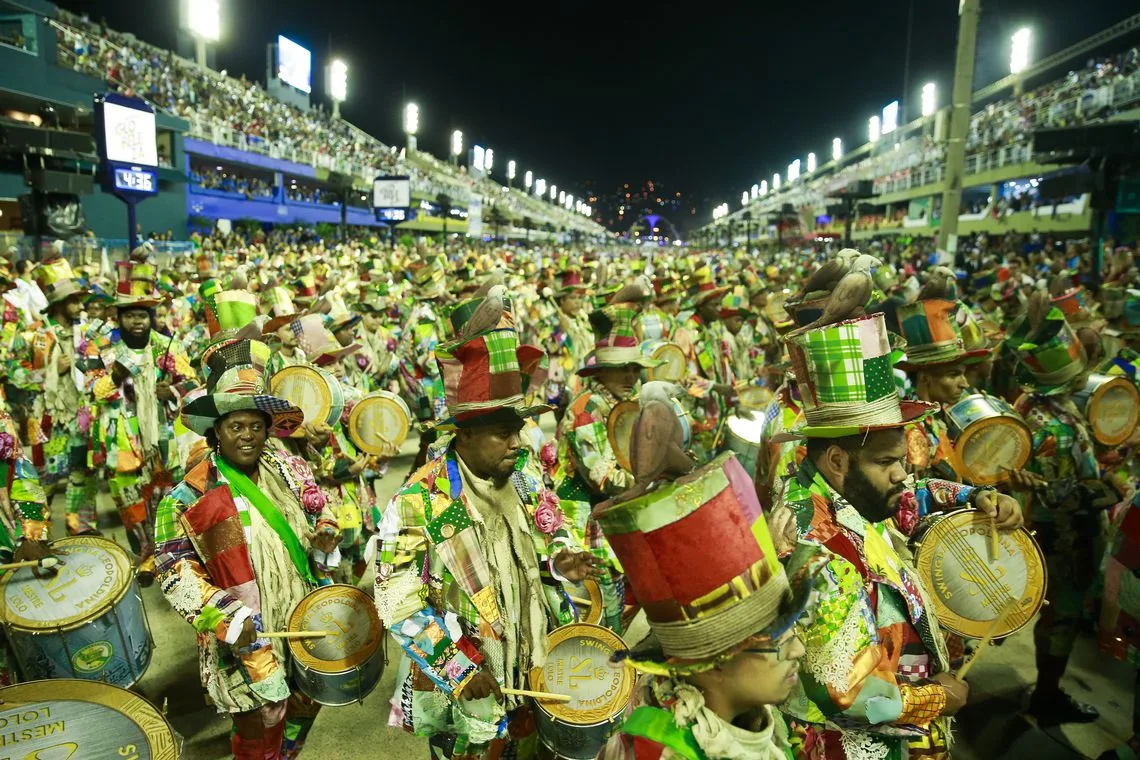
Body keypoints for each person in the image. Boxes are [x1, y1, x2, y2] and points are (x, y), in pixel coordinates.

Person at [770, 311, 1022, 759]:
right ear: (837, 460)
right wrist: (937, 698)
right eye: (889, 462)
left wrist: (976, 495)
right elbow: (849, 694)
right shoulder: (821, 551)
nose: (903, 474)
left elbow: (913, 496)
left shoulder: (836, 490)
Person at [372, 292, 602, 759]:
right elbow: (396, 599)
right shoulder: (425, 501)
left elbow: (550, 526)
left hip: (533, 667)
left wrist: (561, 557)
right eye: (504, 433)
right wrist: (456, 668)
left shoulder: (523, 477)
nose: (518, 443)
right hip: (469, 685)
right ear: (466, 433)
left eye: (518, 430)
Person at [154, 338, 340, 760]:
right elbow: (170, 566)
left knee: (305, 702)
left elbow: (320, 507)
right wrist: (225, 614)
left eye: (255, 425)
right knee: (259, 723)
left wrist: (326, 531)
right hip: (245, 635)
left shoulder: (290, 468)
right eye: (235, 426)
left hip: (301, 615)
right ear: (216, 430)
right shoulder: (188, 495)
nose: (248, 436)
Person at [594, 425, 822, 759]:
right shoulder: (655, 751)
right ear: (714, 663)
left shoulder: (759, 723)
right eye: (779, 642)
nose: (798, 650)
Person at [1007, 306, 1114, 724]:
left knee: (1056, 615)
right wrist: (1109, 489)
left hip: (1052, 530)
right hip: (1067, 535)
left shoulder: (1038, 404)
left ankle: (1047, 689)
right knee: (1062, 618)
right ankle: (1048, 695)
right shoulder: (1056, 427)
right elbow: (1058, 495)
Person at [85, 255, 197, 582]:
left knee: (164, 499)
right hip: (121, 439)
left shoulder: (164, 344)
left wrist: (171, 391)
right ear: (119, 317)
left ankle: (167, 554)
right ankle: (145, 555)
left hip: (161, 437)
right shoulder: (103, 347)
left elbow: (191, 381)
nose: (137, 321)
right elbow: (96, 389)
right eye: (130, 315)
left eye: (142, 315)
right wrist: (119, 370)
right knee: (131, 503)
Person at [554, 296, 660, 631]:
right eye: (622, 368)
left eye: (634, 368)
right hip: (588, 524)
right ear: (602, 370)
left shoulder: (627, 404)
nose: (631, 376)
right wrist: (654, 479)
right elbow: (601, 476)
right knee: (601, 615)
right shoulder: (588, 408)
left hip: (615, 516)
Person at [16, 260, 98, 534]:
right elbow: (17, 374)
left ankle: (82, 532)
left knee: (82, 476)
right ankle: (38, 538)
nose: (79, 305)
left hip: (81, 417)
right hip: (47, 419)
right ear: (59, 303)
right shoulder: (36, 334)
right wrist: (53, 370)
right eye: (74, 300)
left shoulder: (85, 332)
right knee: (45, 481)